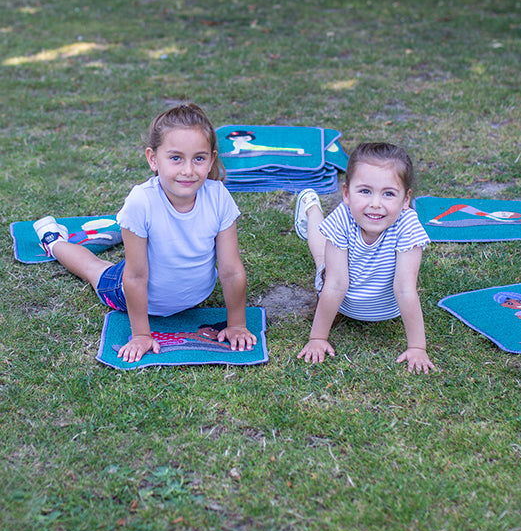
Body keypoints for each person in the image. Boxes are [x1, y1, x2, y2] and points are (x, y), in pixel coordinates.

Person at [34, 102, 257, 364]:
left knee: (133, 239)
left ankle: (125, 229)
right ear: (153, 159)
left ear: (211, 160)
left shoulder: (218, 197)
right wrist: (141, 334)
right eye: (176, 158)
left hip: (193, 296)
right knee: (94, 268)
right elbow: (135, 276)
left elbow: (231, 270)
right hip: (127, 290)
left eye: (199, 158)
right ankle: (52, 240)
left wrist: (237, 324)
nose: (188, 170)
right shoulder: (141, 201)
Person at [295, 141, 435, 374]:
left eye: (388, 194)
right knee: (322, 257)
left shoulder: (408, 225)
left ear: (405, 200)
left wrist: (417, 347)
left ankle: (314, 212)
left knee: (324, 251)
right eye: (365, 191)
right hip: (340, 294)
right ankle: (311, 208)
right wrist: (317, 338)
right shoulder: (343, 217)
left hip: (388, 309)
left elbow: (405, 289)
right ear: (346, 194)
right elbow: (335, 285)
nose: (375, 204)